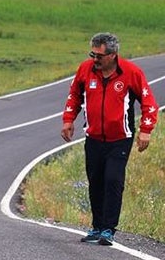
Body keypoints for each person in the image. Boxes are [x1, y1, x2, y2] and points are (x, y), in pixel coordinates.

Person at [61, 32, 159, 246]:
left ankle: (108, 229)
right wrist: (68, 119)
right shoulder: (85, 70)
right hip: (93, 137)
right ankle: (96, 227)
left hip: (120, 139)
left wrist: (146, 129)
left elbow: (148, 102)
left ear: (113, 55)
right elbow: (74, 95)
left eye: (99, 56)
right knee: (95, 182)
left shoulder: (131, 73)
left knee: (113, 180)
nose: (94, 60)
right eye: (92, 54)